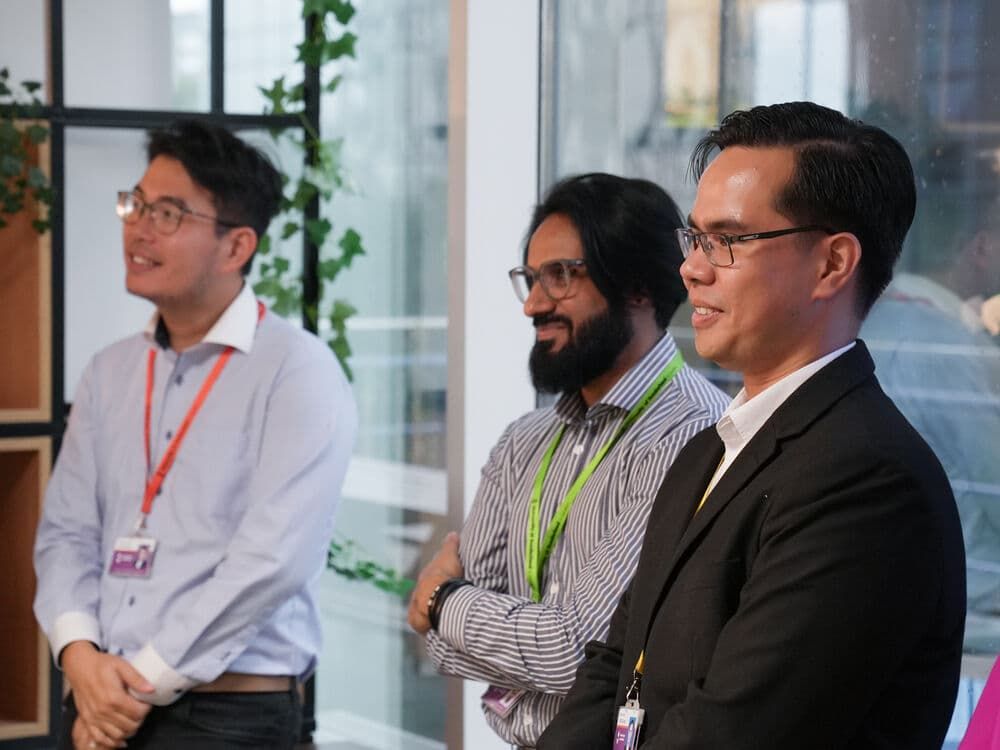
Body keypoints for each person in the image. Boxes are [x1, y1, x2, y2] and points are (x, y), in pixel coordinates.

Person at [538, 102, 966, 749]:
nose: (693, 268)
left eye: (728, 240)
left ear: (832, 265)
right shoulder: (710, 448)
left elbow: (731, 732)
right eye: (696, 238)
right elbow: (615, 663)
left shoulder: (868, 482)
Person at [33, 120, 357, 750]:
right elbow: (66, 533)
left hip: (226, 714)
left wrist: (133, 687)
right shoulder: (111, 371)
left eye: (169, 214)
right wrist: (78, 655)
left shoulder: (297, 370)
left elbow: (271, 562)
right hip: (98, 696)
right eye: (137, 204)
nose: (138, 227)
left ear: (236, 247)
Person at [405, 172, 729, 747]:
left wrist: (443, 597)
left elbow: (574, 654)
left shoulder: (693, 436)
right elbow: (439, 646)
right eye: (530, 279)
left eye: (559, 277)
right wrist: (462, 621)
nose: (533, 304)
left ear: (636, 286)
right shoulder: (523, 441)